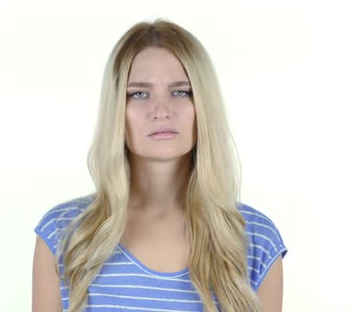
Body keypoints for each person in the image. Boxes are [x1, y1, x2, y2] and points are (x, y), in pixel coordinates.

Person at [32, 19, 287, 312]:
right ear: (117, 109)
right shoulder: (63, 233)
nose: (161, 111)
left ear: (203, 105)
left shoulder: (256, 240)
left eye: (181, 91)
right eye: (139, 93)